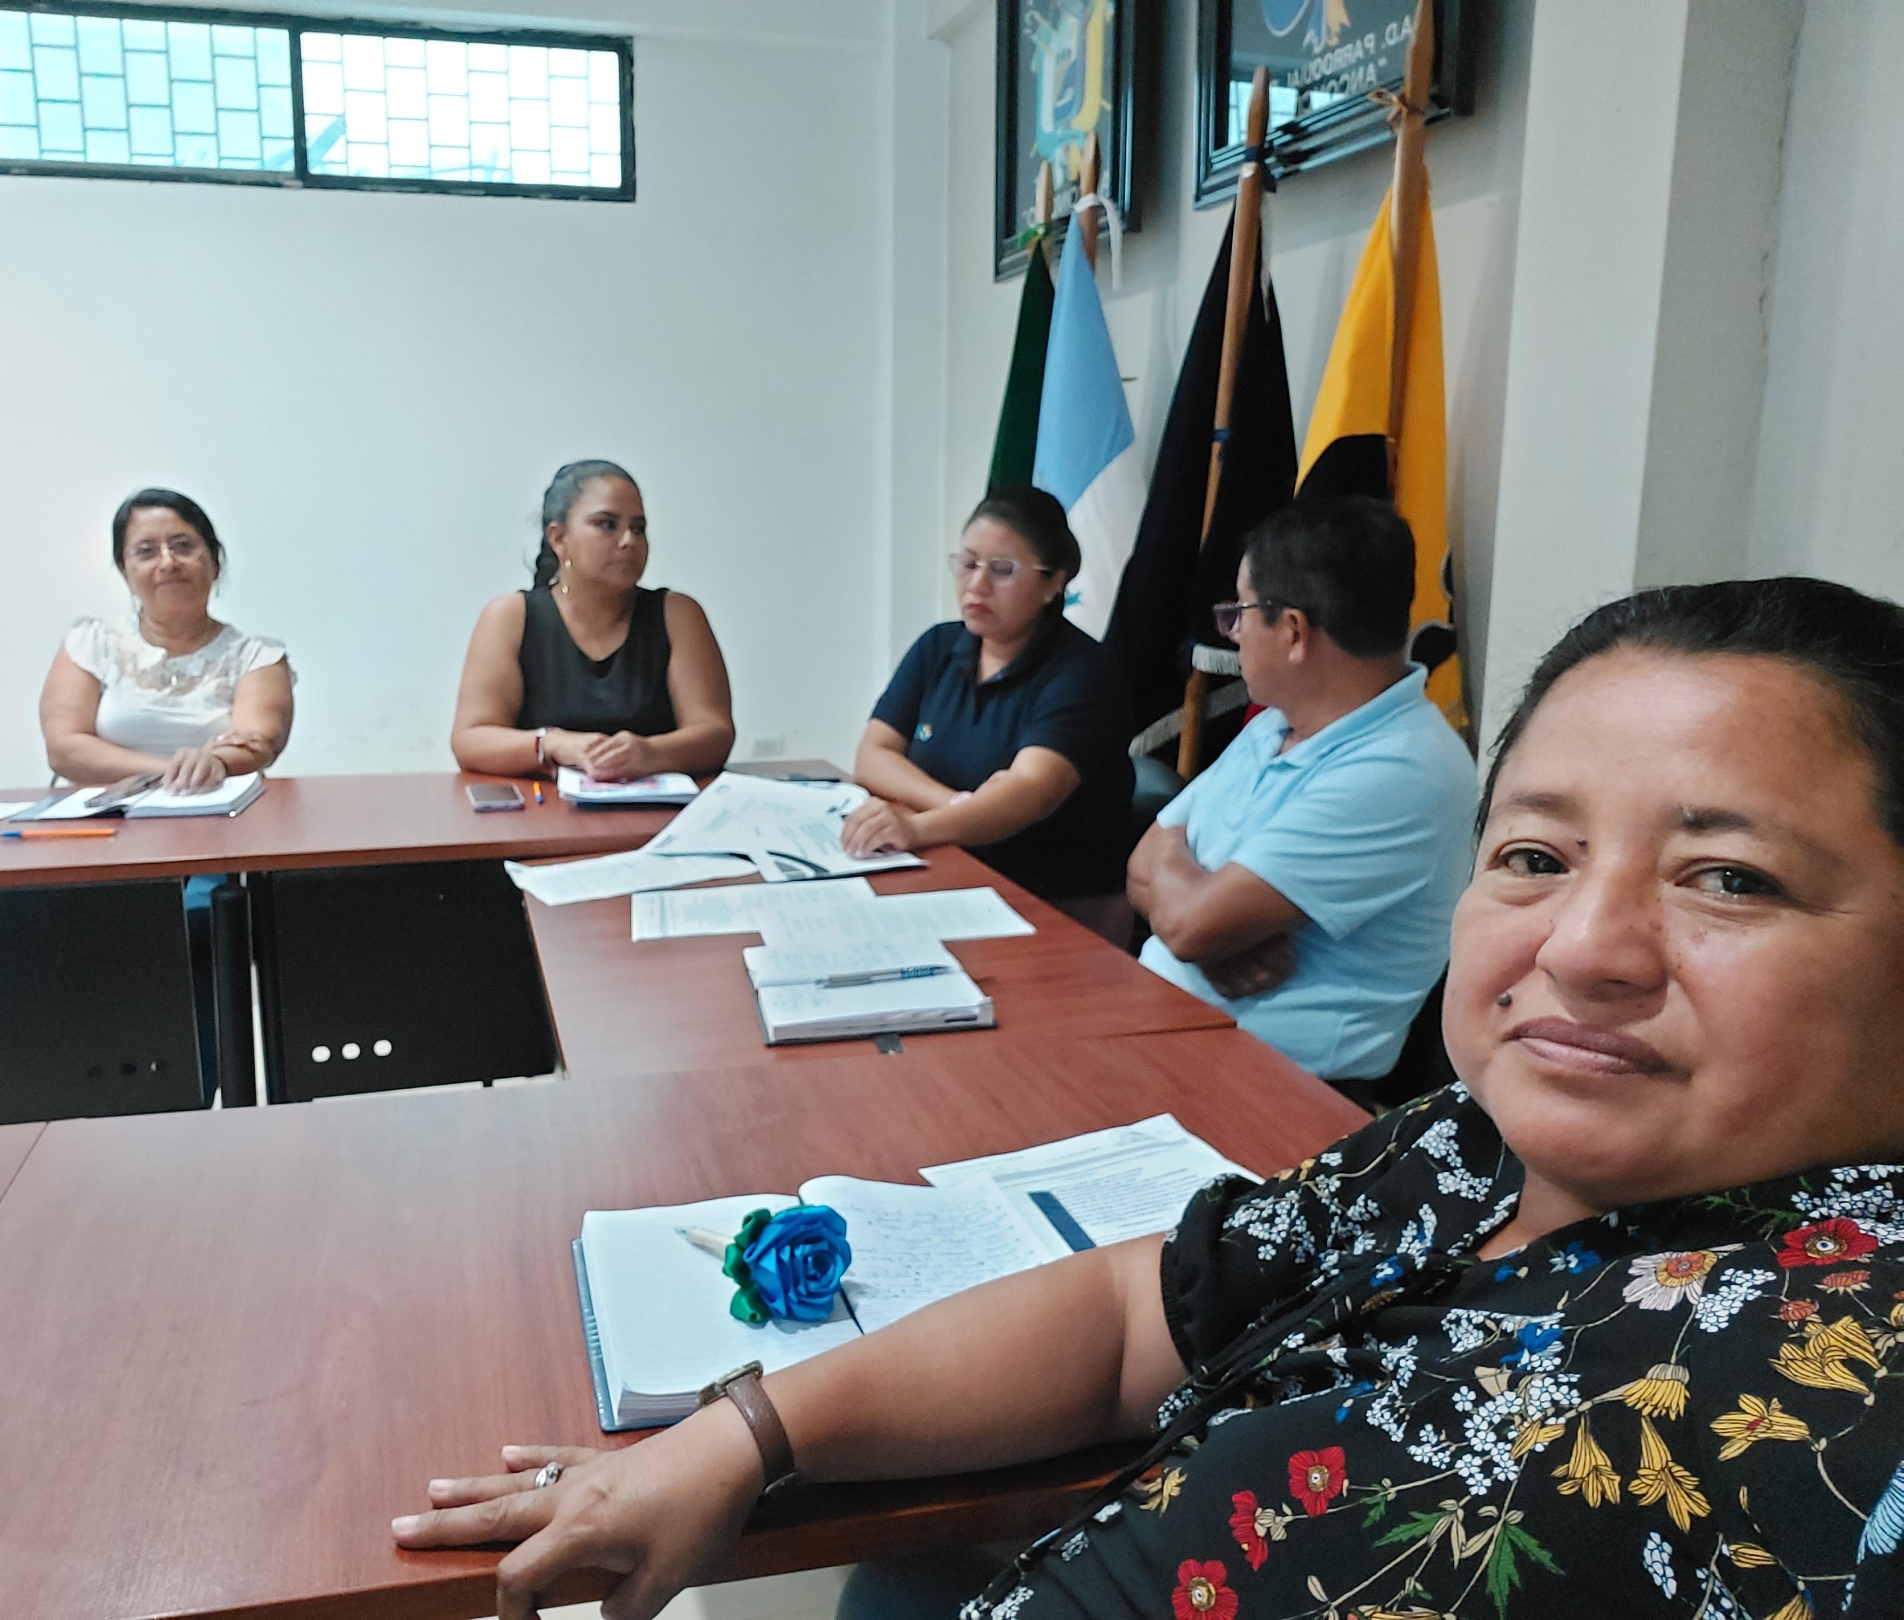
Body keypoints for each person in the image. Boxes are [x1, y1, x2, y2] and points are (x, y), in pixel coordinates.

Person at [389, 575, 1904, 1619]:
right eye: (1534, 857)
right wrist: (744, 1434)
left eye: (1730, 878)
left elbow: (1169, 881)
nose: (1582, 948)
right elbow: (1143, 1308)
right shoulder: (1471, 1147)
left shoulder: (1832, 1406)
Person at [1129, 496, 1476, 1081]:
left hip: (1271, 1086)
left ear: (1292, 630)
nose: (1233, 632)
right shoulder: (1274, 724)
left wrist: (1196, 920)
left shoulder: (1401, 767)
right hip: (1164, 1029)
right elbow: (1143, 865)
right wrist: (1203, 929)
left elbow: (1187, 924)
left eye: (1240, 612)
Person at [842, 487, 1135, 934]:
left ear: (1053, 583)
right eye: (968, 563)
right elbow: (873, 754)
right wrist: (956, 805)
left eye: (1002, 570)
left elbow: (1027, 792)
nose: (976, 585)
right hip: (949, 874)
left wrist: (917, 829)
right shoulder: (938, 646)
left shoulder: (1083, 672)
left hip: (1055, 908)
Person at [450, 461, 735, 783]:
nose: (628, 540)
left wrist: (651, 753)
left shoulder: (677, 614)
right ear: (559, 538)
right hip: (544, 807)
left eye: (638, 528)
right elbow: (470, 739)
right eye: (607, 524)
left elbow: (715, 733)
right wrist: (553, 744)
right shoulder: (511, 616)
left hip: (659, 806)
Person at [40, 488, 293, 792]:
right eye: (147, 551)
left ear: (215, 561)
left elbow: (257, 743)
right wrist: (180, 772)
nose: (168, 562)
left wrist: (218, 763)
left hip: (212, 813)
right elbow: (64, 749)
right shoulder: (91, 644)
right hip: (103, 814)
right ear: (124, 570)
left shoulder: (257, 657)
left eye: (183, 546)